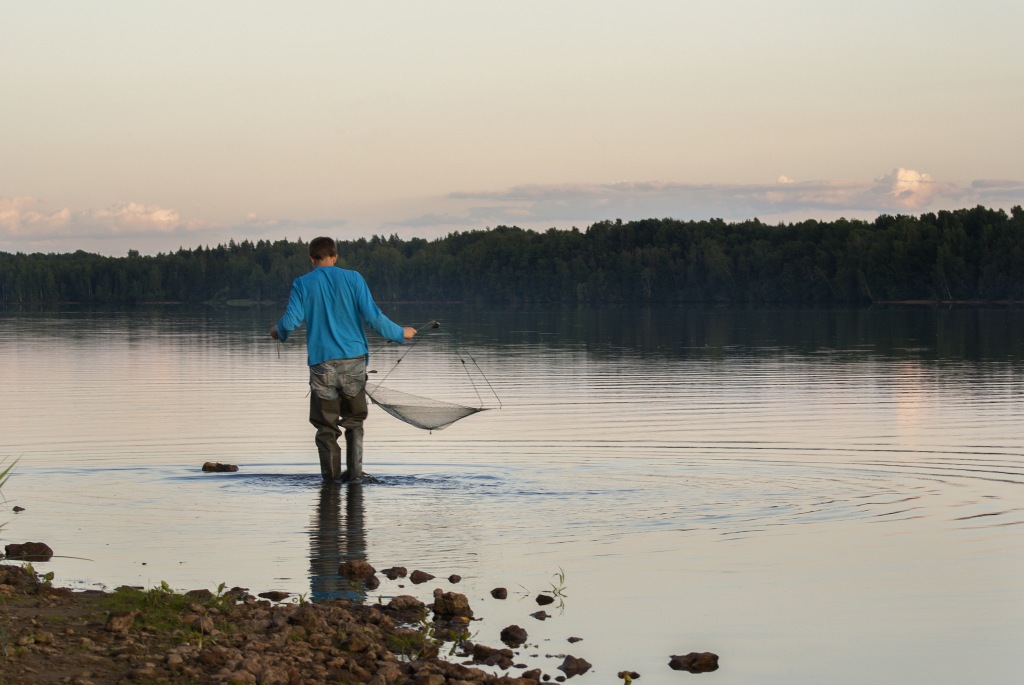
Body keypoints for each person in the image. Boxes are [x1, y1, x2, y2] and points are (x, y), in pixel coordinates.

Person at [270, 237, 416, 483]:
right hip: (354, 362)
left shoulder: (302, 284)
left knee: (326, 427)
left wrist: (278, 332)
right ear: (335, 256)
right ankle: (356, 479)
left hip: (322, 365)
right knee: (354, 421)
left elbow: (290, 321)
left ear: (311, 259)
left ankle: (330, 483)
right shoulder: (354, 278)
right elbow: (373, 317)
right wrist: (401, 333)